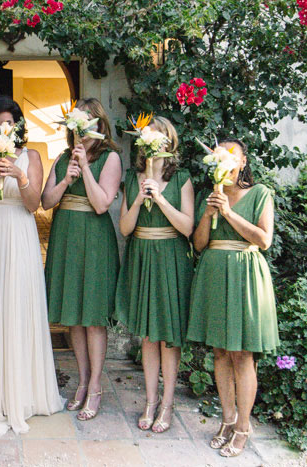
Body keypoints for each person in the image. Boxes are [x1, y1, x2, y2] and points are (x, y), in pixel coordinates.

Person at [0, 95, 64, 436]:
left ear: (16, 126)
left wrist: (19, 174)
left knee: (19, 308)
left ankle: (25, 393)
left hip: (20, 235)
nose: (4, 128)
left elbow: (34, 206)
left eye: (9, 123)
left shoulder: (31, 156)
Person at [187, 138, 278, 457]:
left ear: (242, 162)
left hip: (244, 273)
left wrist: (227, 212)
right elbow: (198, 244)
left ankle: (243, 426)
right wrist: (209, 212)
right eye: (218, 156)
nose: (224, 160)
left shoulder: (260, 193)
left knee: (242, 354)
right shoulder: (209, 194)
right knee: (220, 352)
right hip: (213, 272)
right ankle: (226, 420)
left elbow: (263, 240)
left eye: (231, 155)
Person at [41, 98, 122, 421]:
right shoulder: (62, 158)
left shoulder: (110, 158)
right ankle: (82, 380)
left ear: (100, 126)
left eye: (89, 124)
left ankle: (96, 385)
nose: (83, 131)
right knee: (73, 314)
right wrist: (66, 178)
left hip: (94, 238)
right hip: (66, 236)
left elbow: (102, 203)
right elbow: (46, 201)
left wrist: (86, 169)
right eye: (78, 125)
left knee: (93, 316)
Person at [115, 116, 194, 433]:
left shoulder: (182, 179)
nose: (154, 142)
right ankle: (150, 400)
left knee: (168, 338)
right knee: (147, 336)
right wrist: (137, 198)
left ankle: (168, 402)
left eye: (159, 136)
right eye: (149, 137)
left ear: (169, 143)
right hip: (142, 258)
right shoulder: (132, 179)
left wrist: (160, 198)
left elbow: (188, 228)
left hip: (171, 259)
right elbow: (124, 229)